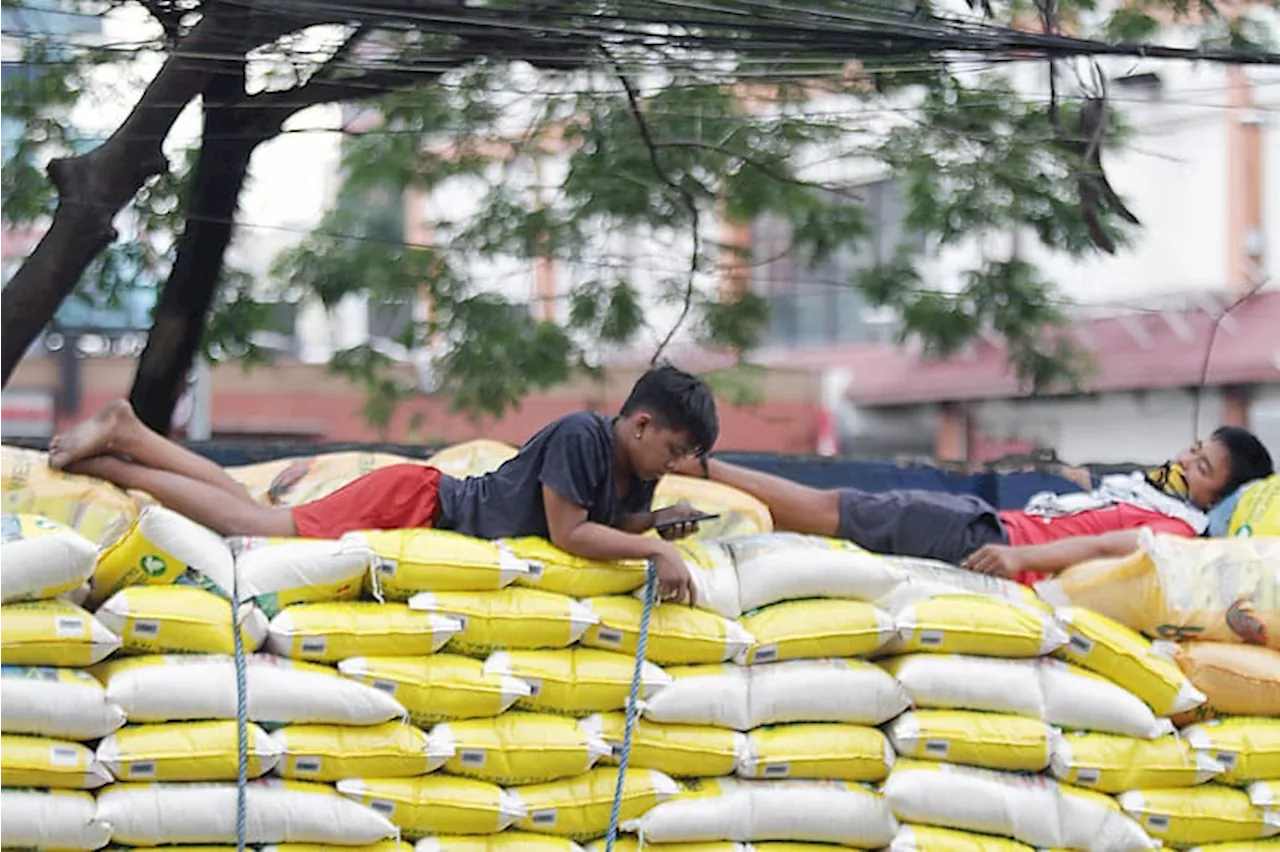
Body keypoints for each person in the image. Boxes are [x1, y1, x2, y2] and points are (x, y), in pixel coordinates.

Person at [48, 365, 720, 604]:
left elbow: (610, 527)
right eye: (675, 447)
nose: (676, 462)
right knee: (251, 529)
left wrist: (660, 526)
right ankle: (115, 461)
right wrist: (657, 553)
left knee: (254, 513)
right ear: (638, 422)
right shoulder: (582, 435)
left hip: (420, 505)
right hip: (417, 505)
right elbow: (570, 533)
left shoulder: (632, 473)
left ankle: (132, 434)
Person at [673, 426, 1273, 584]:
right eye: (1191, 450)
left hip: (989, 540)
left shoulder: (1179, 532)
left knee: (832, 511)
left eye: (1200, 467)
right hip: (985, 530)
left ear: (1218, 495)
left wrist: (1016, 560)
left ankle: (705, 472)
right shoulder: (1150, 496)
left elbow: (1101, 546)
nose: (1183, 463)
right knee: (834, 520)